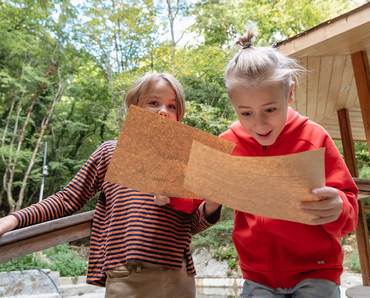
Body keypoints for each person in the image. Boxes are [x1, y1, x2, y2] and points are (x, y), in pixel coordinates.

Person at [0, 72, 222, 298]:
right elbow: (67, 200)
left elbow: (192, 224)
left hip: (177, 274)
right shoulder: (111, 152)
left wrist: (211, 206)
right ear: (135, 107)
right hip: (126, 275)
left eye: (172, 106)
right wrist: (13, 220)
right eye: (154, 103)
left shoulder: (185, 160)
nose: (164, 110)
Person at [218, 27, 358, 298]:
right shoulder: (227, 144)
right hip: (257, 276)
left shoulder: (314, 137)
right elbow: (196, 195)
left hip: (316, 271)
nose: (259, 123)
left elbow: (349, 212)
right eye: (246, 113)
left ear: (289, 94)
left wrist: (340, 208)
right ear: (233, 104)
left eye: (270, 109)